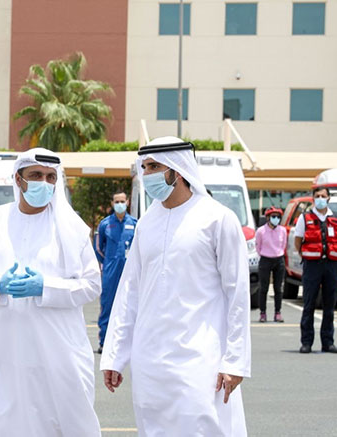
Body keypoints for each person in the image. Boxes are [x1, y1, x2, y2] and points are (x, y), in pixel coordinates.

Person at [100, 136, 251, 436]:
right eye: (144, 167)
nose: (147, 174)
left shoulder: (218, 218)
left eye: (154, 166)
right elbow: (129, 293)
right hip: (150, 359)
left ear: (178, 170)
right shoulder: (146, 224)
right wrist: (115, 356)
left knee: (202, 426)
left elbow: (238, 294)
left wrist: (235, 361)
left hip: (200, 358)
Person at [0, 148, 102, 437]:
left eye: (50, 177)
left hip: (57, 354)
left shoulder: (71, 228)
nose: (44, 182)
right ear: (18, 180)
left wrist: (46, 288)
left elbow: (91, 285)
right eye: (36, 175)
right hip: (1, 353)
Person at [294, 187, 337, 354]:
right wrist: (305, 255)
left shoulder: (334, 219)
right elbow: (298, 240)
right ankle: (306, 342)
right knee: (309, 303)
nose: (320, 198)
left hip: (331, 265)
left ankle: (328, 342)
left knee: (329, 304)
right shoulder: (305, 218)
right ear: (313, 198)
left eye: (323, 196)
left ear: (328, 199)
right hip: (312, 265)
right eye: (317, 196)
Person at [95, 191, 137, 354]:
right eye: (116, 201)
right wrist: (108, 261)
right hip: (111, 271)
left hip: (130, 271)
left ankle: (131, 343)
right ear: (112, 203)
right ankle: (104, 341)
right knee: (108, 306)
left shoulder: (135, 223)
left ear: (127, 202)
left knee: (131, 305)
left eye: (122, 201)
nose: (120, 204)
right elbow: (98, 248)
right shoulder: (105, 224)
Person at [255, 206, 287, 322]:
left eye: (278, 217)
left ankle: (277, 312)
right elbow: (258, 246)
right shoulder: (261, 231)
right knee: (263, 288)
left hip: (279, 259)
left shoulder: (282, 230)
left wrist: (278, 254)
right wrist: (264, 254)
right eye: (273, 216)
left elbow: (283, 245)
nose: (276, 219)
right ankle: (262, 313)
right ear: (268, 218)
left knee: (278, 288)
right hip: (265, 259)